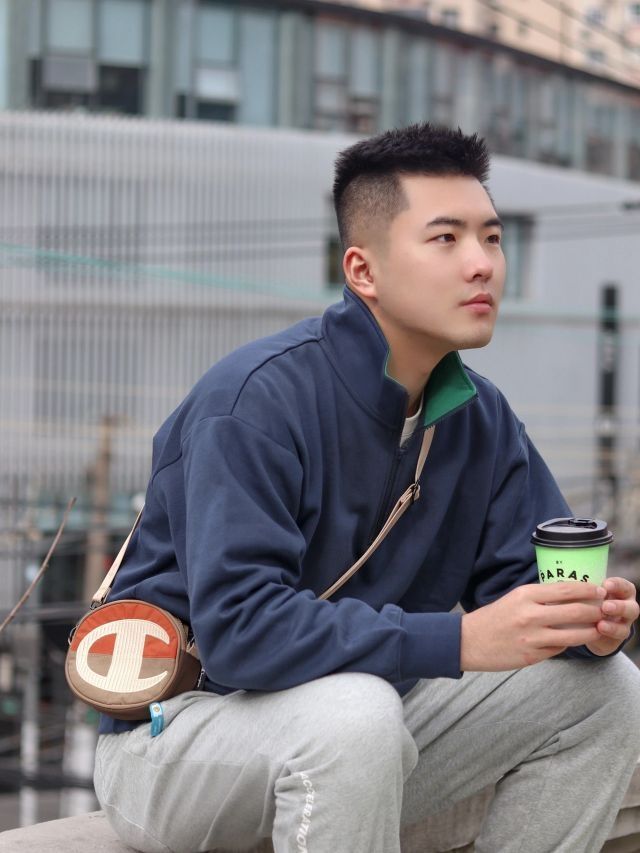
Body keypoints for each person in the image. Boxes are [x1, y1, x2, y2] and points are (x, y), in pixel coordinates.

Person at [93, 123, 640, 853]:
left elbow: (521, 592)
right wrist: (461, 638)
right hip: (179, 738)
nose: (481, 264)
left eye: (493, 238)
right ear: (363, 270)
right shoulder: (254, 401)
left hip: (366, 729)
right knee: (354, 714)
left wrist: (586, 625)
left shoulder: (479, 418)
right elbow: (240, 633)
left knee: (607, 693)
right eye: (446, 239)